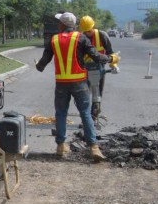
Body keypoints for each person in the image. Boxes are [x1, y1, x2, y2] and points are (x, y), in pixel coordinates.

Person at [35, 12, 119, 161]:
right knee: (85, 113)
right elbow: (97, 57)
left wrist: (38, 66)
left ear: (62, 25)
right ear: (73, 25)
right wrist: (112, 58)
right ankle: (93, 147)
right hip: (80, 83)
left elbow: (44, 61)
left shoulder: (54, 40)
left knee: (61, 113)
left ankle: (60, 146)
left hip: (61, 84)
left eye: (59, 22)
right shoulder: (81, 38)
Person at [79, 15, 116, 126]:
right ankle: (86, 119)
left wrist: (113, 64)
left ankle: (93, 117)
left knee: (97, 94)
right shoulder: (80, 37)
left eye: (89, 31)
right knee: (84, 95)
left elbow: (110, 52)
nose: (87, 33)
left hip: (99, 69)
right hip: (84, 69)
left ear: (93, 26)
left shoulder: (102, 35)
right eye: (85, 31)